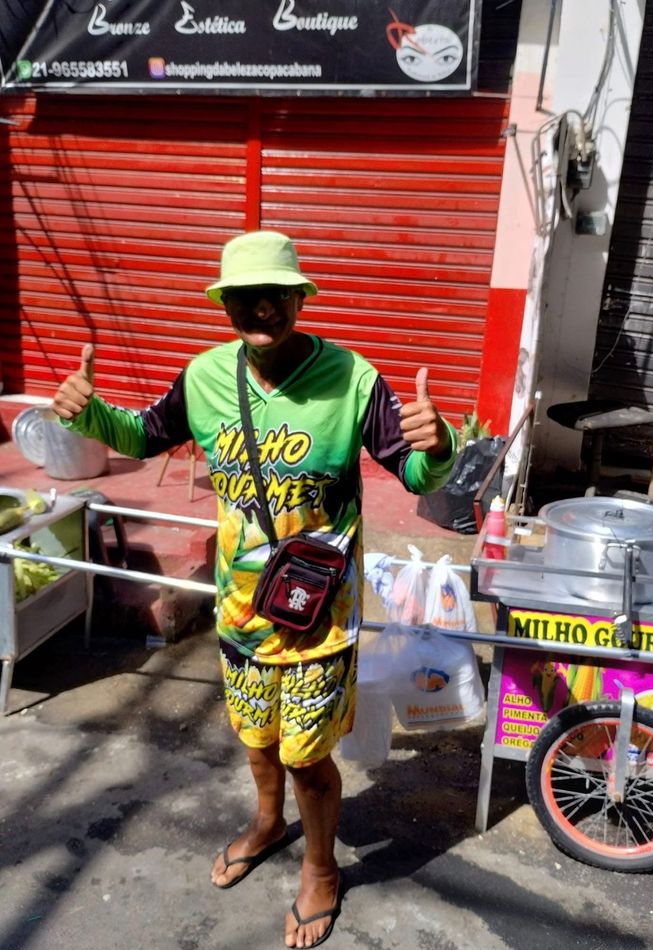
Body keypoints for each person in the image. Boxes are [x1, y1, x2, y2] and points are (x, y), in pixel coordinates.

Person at [52, 230, 457, 948]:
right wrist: (88, 411)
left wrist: (438, 447)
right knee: (258, 738)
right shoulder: (206, 375)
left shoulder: (353, 380)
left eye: (275, 294)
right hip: (241, 609)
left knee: (306, 752)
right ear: (225, 304)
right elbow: (144, 434)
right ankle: (268, 822)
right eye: (243, 296)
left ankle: (322, 869)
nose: (259, 308)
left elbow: (416, 476)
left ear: (300, 299)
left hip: (319, 614)